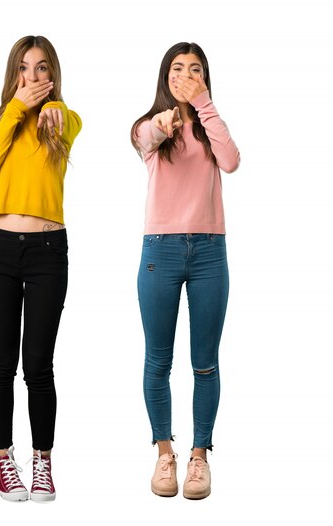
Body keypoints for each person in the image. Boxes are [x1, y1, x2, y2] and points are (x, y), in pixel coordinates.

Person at [130, 42, 240, 500]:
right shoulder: (147, 125)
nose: (186, 75)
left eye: (195, 69)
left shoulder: (211, 125)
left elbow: (231, 161)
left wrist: (203, 105)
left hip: (210, 251)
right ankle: (163, 453)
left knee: (205, 364)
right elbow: (146, 139)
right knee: (158, 360)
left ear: (205, 78)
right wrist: (164, 122)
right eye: (178, 68)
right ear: (165, 76)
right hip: (161, 250)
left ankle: (199, 456)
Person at [0, 35, 81, 502]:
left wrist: (48, 112)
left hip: (46, 252)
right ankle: (4, 462)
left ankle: (42, 462)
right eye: (25, 68)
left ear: (53, 74)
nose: (33, 77)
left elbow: (62, 126)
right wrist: (17, 107)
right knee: (1, 362)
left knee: (39, 365)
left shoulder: (65, 119)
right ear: (14, 74)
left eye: (42, 68)